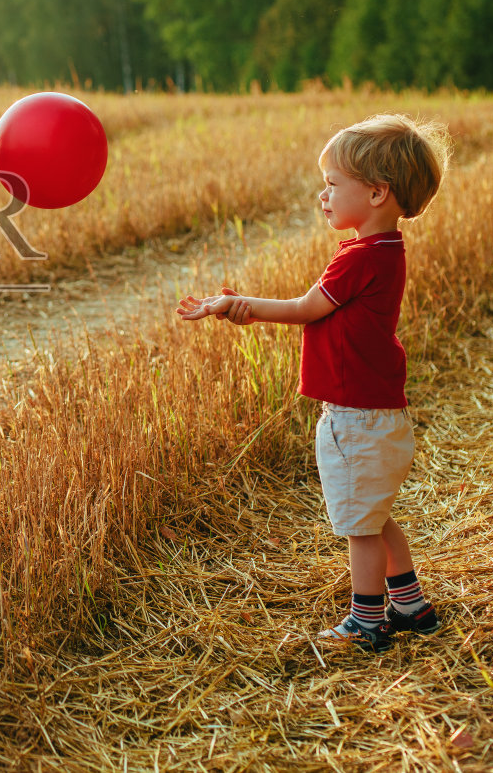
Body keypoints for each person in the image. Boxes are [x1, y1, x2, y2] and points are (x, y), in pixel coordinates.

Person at [177, 114, 450, 653]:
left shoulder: (359, 259)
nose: (321, 195)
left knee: (361, 528)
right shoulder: (383, 251)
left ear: (376, 193)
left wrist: (238, 305)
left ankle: (368, 621)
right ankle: (411, 605)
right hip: (378, 410)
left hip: (356, 415)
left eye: (331, 185)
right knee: (375, 514)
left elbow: (306, 309)